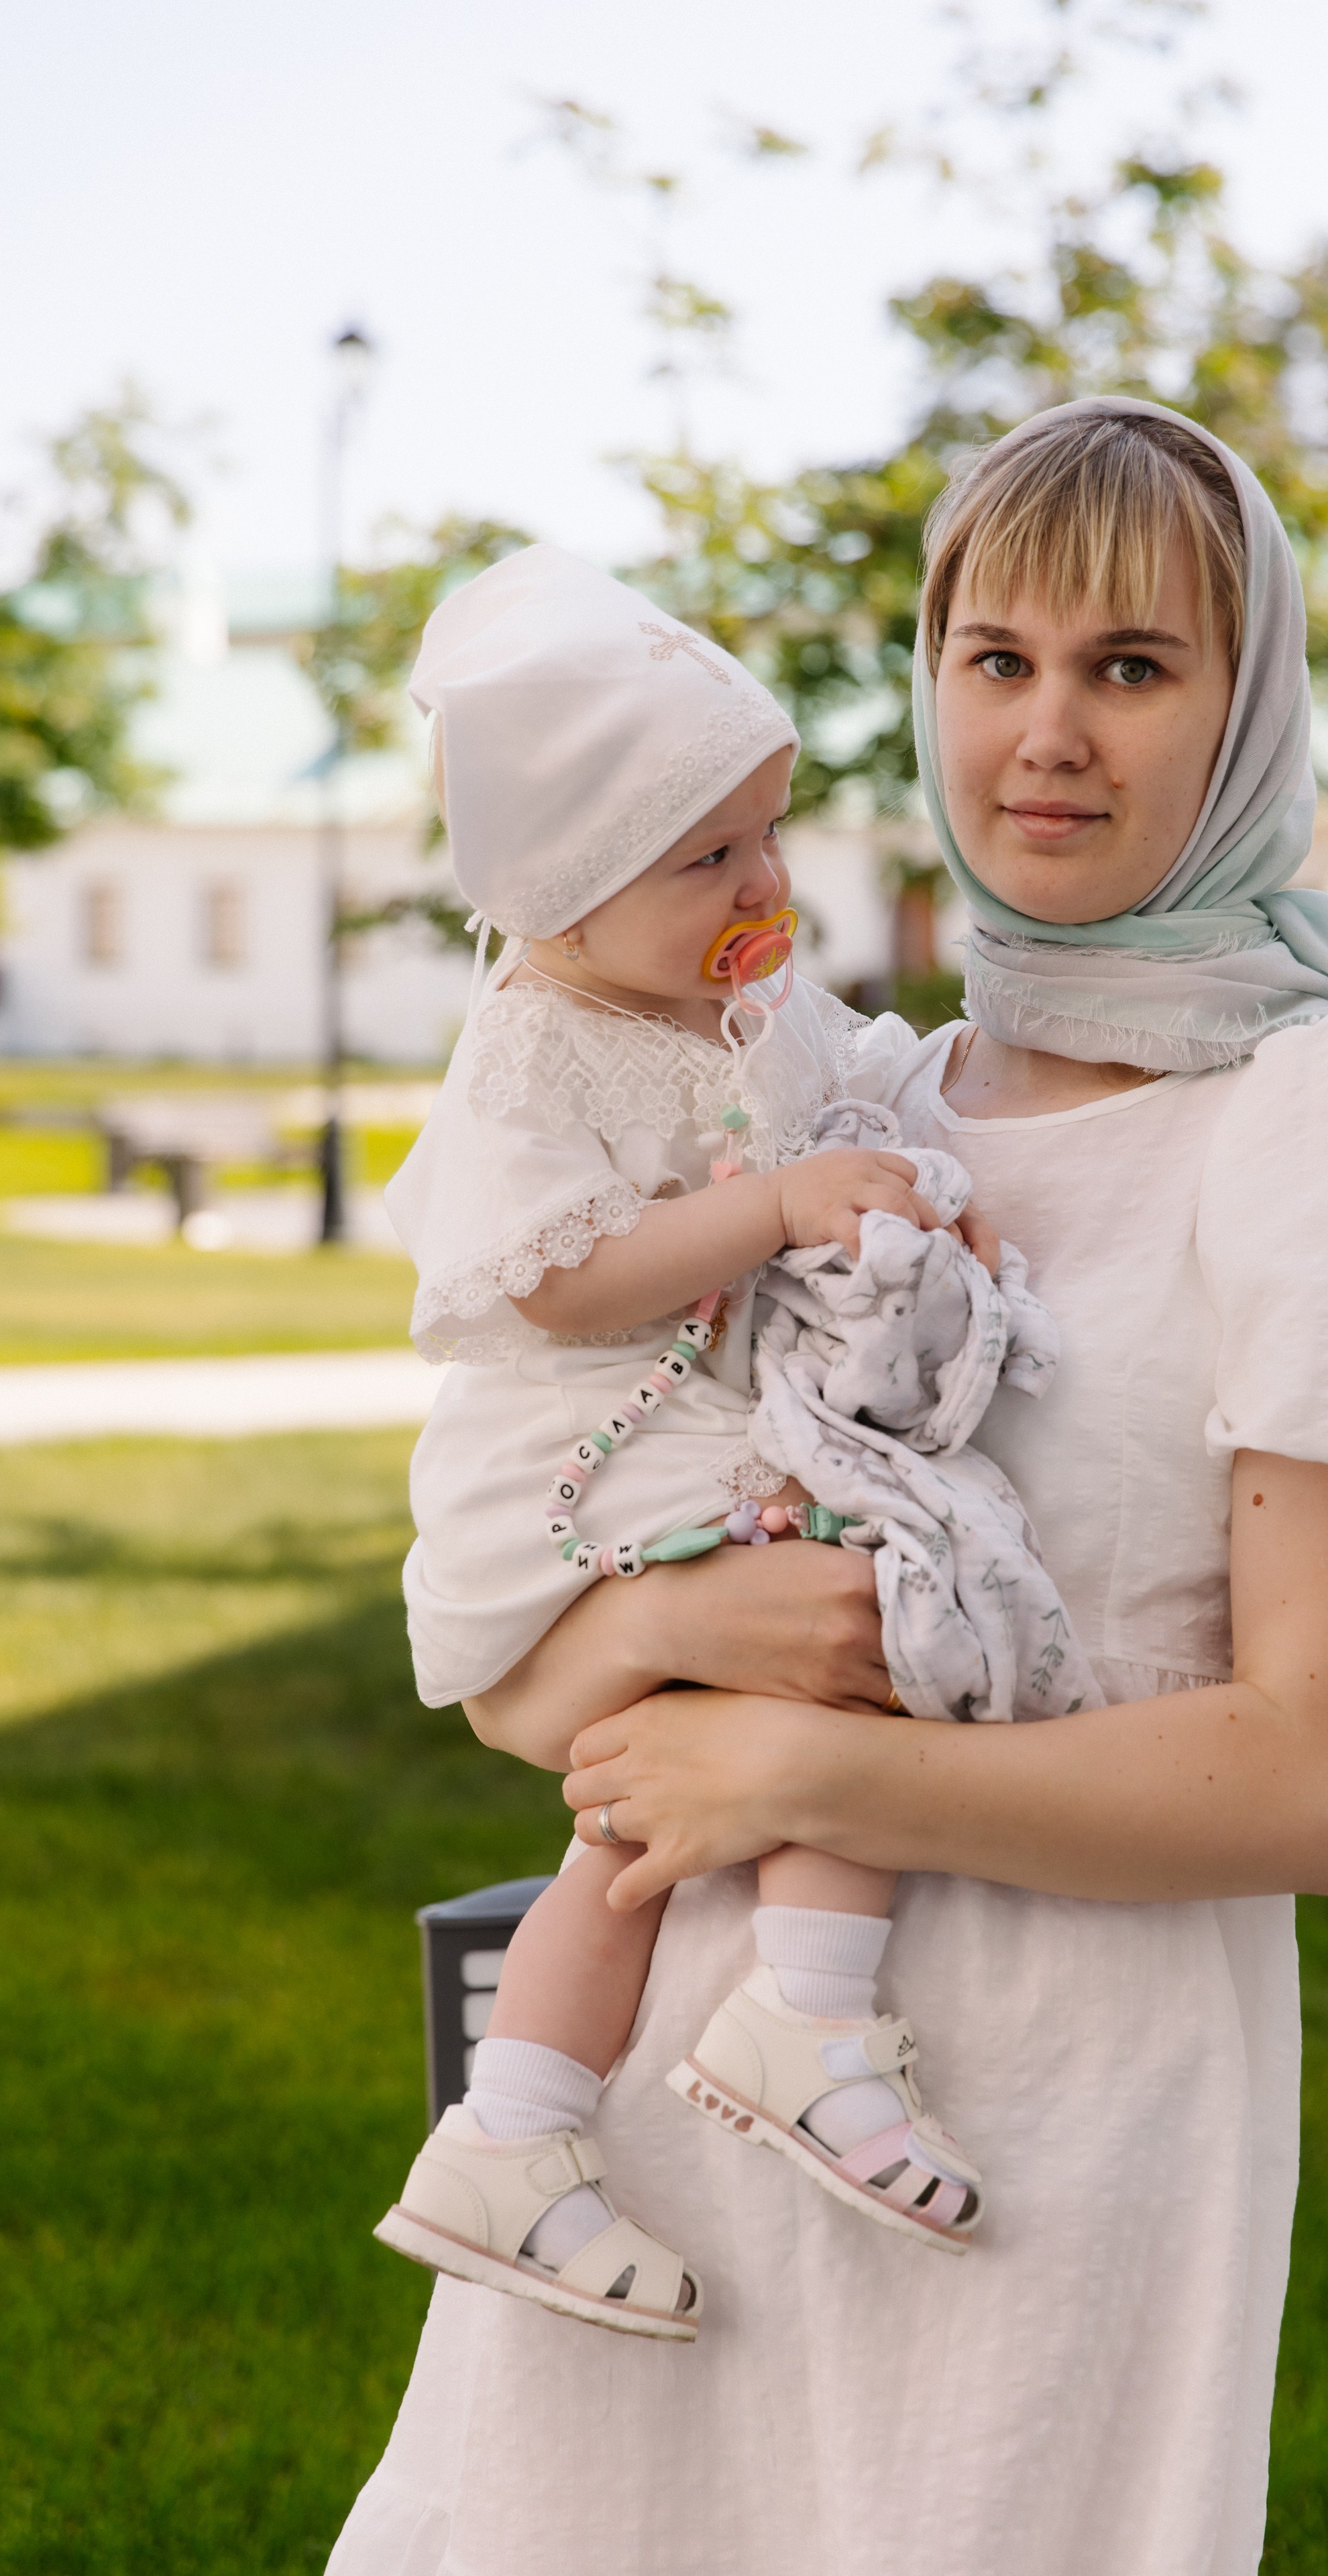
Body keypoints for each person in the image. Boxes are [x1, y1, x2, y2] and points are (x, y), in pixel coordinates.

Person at [330, 400, 1328, 2576]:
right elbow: (527, 1672)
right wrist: (675, 1643)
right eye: (995, 662)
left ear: (1247, 701)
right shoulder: (870, 1100)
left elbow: (1319, 1786)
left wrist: (800, 1761)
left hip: (1037, 2137)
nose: (1048, 739)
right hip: (645, 2130)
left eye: (1134, 665)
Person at [375, 547, 1095, 2346]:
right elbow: (556, 1287)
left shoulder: (745, 1005)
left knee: (647, 1815)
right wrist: (777, 1206)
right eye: (709, 860)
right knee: (866, 1640)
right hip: (585, 1459)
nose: (766, 883)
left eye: (769, 834)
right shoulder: (536, 1049)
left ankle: (517, 2127)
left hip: (689, 1440)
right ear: (564, 884)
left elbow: (855, 1107)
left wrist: (910, 1190)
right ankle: (811, 2021)